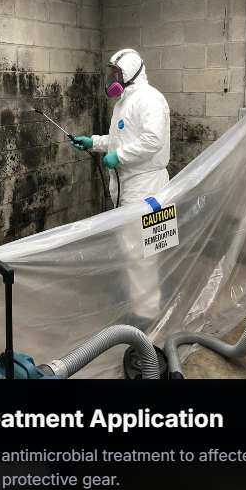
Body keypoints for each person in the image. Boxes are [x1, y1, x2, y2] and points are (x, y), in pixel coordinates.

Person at [70, 48, 171, 330]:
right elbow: (120, 140)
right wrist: (93, 142)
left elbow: (153, 140)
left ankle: (146, 317)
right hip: (130, 185)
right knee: (134, 250)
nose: (111, 79)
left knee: (143, 254)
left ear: (129, 74)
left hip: (146, 187)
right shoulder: (124, 103)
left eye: (115, 74)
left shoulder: (148, 99)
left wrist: (119, 156)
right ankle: (139, 300)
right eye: (111, 74)